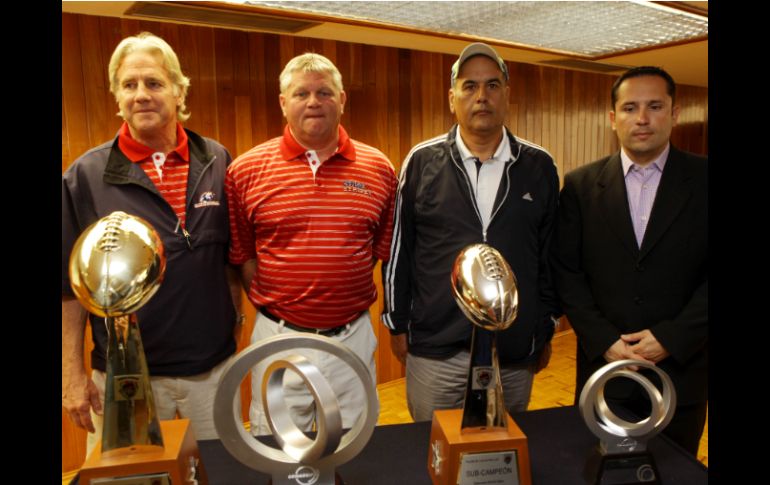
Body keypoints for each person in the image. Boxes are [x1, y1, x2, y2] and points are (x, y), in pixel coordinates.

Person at [62, 32, 242, 456]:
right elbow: (66, 289)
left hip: (211, 372)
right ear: (116, 96)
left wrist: (235, 318)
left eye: (154, 83)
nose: (141, 95)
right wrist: (71, 373)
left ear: (179, 91)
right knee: (130, 480)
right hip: (126, 378)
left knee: (220, 472)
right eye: (129, 84)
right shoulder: (85, 175)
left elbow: (230, 257)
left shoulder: (217, 159)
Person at [382, 42, 561, 422]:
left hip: (512, 350)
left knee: (504, 452)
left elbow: (550, 256)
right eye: (470, 86)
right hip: (437, 346)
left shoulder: (538, 166)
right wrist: (397, 323)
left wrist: (545, 326)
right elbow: (400, 251)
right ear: (452, 98)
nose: (482, 96)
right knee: (435, 452)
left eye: (493, 85)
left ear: (507, 95)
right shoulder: (421, 161)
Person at [225, 52, 398, 435]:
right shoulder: (245, 170)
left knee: (355, 444)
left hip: (352, 335)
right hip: (279, 337)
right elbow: (243, 255)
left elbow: (375, 251)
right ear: (283, 102)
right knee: (277, 446)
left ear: (342, 99)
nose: (314, 101)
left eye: (324, 92)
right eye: (301, 93)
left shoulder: (379, 168)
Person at [550, 66, 707, 455]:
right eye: (630, 107)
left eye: (655, 106)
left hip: (681, 374)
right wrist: (605, 341)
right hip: (605, 374)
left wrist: (670, 338)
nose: (642, 118)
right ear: (612, 118)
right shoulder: (581, 186)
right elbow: (567, 273)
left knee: (677, 473)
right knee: (599, 471)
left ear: (674, 112)